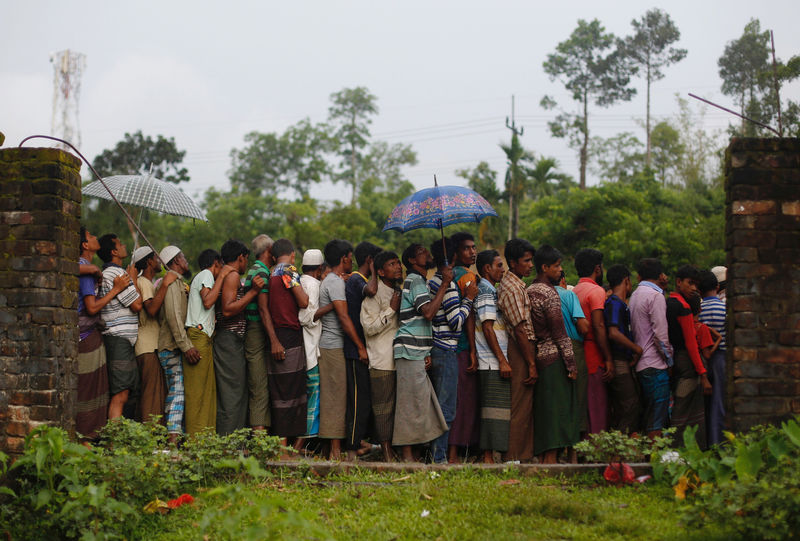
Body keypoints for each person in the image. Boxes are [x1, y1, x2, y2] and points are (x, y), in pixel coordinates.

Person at [392, 243, 450, 462]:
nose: (427, 254)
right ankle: (407, 456)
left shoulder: (419, 281)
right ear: (412, 261)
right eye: (422, 253)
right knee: (409, 405)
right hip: (408, 348)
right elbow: (427, 313)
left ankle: (413, 454)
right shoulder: (415, 280)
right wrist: (444, 284)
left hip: (415, 350)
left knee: (419, 403)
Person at [427, 238, 477, 464]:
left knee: (441, 404)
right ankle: (439, 457)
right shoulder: (446, 285)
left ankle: (437, 454)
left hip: (437, 347)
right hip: (447, 349)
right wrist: (468, 299)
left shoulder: (434, 281)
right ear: (453, 256)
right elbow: (456, 321)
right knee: (446, 407)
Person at [527, 245, 578, 464]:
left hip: (538, 354)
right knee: (557, 410)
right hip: (554, 357)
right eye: (556, 266)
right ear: (545, 267)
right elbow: (559, 333)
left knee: (545, 407)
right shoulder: (550, 294)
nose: (560, 270)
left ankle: (545, 456)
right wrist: (571, 363)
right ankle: (551, 459)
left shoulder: (529, 290)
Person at [77, 227, 129, 442]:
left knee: (95, 388)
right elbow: (91, 307)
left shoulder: (88, 268)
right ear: (85, 245)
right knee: (89, 390)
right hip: (86, 335)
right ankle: (85, 439)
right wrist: (116, 289)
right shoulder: (85, 268)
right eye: (91, 236)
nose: (95, 237)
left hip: (91, 334)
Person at [317, 239, 366, 460]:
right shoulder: (334, 282)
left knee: (335, 396)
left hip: (331, 345)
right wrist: (360, 346)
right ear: (344, 258)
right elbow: (344, 318)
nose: (351, 261)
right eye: (350, 257)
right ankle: (336, 452)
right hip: (333, 345)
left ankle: (331, 450)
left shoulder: (332, 280)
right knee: (336, 398)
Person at [215, 239, 264, 435]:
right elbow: (227, 310)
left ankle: (234, 442)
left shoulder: (227, 274)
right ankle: (229, 444)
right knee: (232, 394)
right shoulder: (233, 275)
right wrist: (253, 292)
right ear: (240, 257)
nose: (246, 264)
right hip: (229, 338)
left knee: (235, 392)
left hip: (231, 339)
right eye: (246, 259)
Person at [266, 239, 310, 450]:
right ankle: (284, 446)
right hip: (289, 334)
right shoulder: (288, 270)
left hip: (274, 334)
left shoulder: (271, 271)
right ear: (292, 255)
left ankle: (281, 443)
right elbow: (303, 301)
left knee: (280, 390)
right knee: (291, 389)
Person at [496, 238, 538, 462]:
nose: (530, 265)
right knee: (520, 405)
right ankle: (513, 456)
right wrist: (531, 363)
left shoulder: (518, 285)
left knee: (526, 404)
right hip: (521, 348)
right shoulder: (512, 288)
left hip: (524, 346)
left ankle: (524, 454)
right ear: (513, 262)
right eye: (526, 261)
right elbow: (520, 328)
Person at [360, 250, 403, 462]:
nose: (398, 267)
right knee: (383, 409)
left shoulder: (399, 291)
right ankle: (385, 451)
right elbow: (369, 328)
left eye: (398, 263)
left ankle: (393, 449)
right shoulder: (373, 294)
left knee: (396, 407)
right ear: (380, 271)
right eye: (392, 264)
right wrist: (390, 311)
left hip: (400, 358)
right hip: (381, 359)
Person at [184, 249, 232, 435]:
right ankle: (197, 439)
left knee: (206, 391)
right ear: (216, 263)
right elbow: (207, 302)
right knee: (198, 392)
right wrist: (223, 277)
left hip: (204, 336)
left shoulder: (204, 277)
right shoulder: (206, 274)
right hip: (198, 336)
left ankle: (205, 437)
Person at [97, 233, 143, 420]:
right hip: (118, 339)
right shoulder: (116, 274)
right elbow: (137, 305)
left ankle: (119, 440)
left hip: (122, 340)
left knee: (127, 392)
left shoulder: (115, 272)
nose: (125, 246)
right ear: (114, 251)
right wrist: (133, 279)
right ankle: (113, 444)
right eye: (120, 243)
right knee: (120, 393)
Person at [157, 245, 199, 443]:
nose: (186, 260)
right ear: (176, 261)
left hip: (174, 346)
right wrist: (187, 345)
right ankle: (172, 438)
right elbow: (174, 317)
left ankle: (177, 436)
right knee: (177, 390)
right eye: (183, 257)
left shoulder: (179, 283)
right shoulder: (172, 283)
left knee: (178, 390)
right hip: (172, 346)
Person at [343, 241, 381, 460]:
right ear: (370, 260)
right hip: (355, 351)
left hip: (361, 350)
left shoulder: (358, 278)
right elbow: (372, 290)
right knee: (358, 401)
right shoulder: (358, 279)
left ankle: (359, 443)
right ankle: (351, 449)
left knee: (364, 399)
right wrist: (375, 272)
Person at [666, 264, 711, 449]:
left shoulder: (667, 302)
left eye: (695, 285)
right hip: (687, 363)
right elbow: (692, 345)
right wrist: (703, 373)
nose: (693, 288)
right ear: (678, 282)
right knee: (685, 409)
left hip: (673, 360)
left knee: (679, 406)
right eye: (690, 283)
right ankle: (683, 449)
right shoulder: (684, 308)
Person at [473, 249, 512, 463]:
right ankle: (487, 457)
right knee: (492, 409)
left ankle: (490, 455)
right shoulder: (486, 292)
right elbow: (488, 328)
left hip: (492, 359)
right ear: (487, 268)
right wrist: (502, 360)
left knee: (495, 408)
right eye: (499, 265)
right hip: (490, 360)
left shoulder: (489, 289)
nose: (503, 270)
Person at [629, 258, 673, 439]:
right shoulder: (655, 296)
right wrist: (670, 361)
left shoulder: (635, 295)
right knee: (657, 419)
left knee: (649, 417)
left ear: (639, 276)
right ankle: (653, 462)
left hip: (641, 363)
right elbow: (660, 337)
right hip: (655, 363)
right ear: (660, 275)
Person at [447, 232, 481, 461]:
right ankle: (454, 453)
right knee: (463, 401)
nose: (472, 252)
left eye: (473, 247)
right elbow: (468, 317)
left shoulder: (449, 275)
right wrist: (472, 350)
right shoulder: (467, 276)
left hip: (449, 346)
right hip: (461, 346)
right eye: (467, 248)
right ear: (457, 253)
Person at [572, 248, 613, 434]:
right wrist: (608, 358)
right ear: (598, 268)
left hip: (577, 353)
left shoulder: (574, 291)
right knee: (597, 407)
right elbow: (598, 326)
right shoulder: (596, 291)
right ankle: (596, 451)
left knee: (583, 405)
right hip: (594, 354)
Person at [131, 246, 174, 424]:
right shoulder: (144, 283)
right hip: (147, 346)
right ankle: (150, 437)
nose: (159, 260)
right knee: (151, 395)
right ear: (149, 261)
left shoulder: (145, 282)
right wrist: (165, 283)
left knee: (155, 393)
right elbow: (152, 309)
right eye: (156, 257)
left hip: (150, 345)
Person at [603, 264, 642, 434]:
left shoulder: (619, 304)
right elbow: (613, 333)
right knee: (631, 405)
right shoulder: (614, 303)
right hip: (618, 360)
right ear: (626, 281)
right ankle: (619, 450)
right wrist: (636, 349)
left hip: (623, 358)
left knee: (624, 406)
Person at [243, 234, 276, 433]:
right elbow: (263, 310)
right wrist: (274, 340)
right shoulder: (260, 272)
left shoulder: (259, 269)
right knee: (259, 386)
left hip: (256, 330)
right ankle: (259, 437)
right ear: (268, 251)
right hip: (256, 330)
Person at [297, 249, 328, 450]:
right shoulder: (314, 285)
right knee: (313, 401)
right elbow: (307, 318)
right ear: (320, 269)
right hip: (311, 353)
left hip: (300, 351)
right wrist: (332, 306)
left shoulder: (298, 281)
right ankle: (299, 446)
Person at [555, 271, 589, 438]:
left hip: (549, 350)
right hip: (573, 347)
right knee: (578, 396)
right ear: (563, 280)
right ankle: (576, 447)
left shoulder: (534, 292)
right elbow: (583, 327)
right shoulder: (568, 295)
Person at [697, 269, 727, 446]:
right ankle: (718, 443)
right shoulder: (724, 308)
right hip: (721, 358)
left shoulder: (699, 309)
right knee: (719, 403)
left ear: (699, 290)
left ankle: (704, 442)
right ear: (717, 286)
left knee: (702, 404)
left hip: (701, 360)